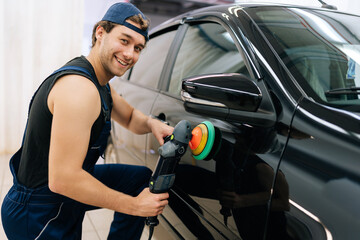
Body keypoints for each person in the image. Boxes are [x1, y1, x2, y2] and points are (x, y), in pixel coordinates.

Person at [1, 2, 173, 240]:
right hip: (39, 213)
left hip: (60, 192)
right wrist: (135, 206)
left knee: (139, 179)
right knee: (128, 195)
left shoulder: (100, 83)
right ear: (100, 33)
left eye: (138, 48)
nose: (130, 54)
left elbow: (132, 117)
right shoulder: (79, 89)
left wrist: (153, 123)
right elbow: (64, 180)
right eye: (124, 41)